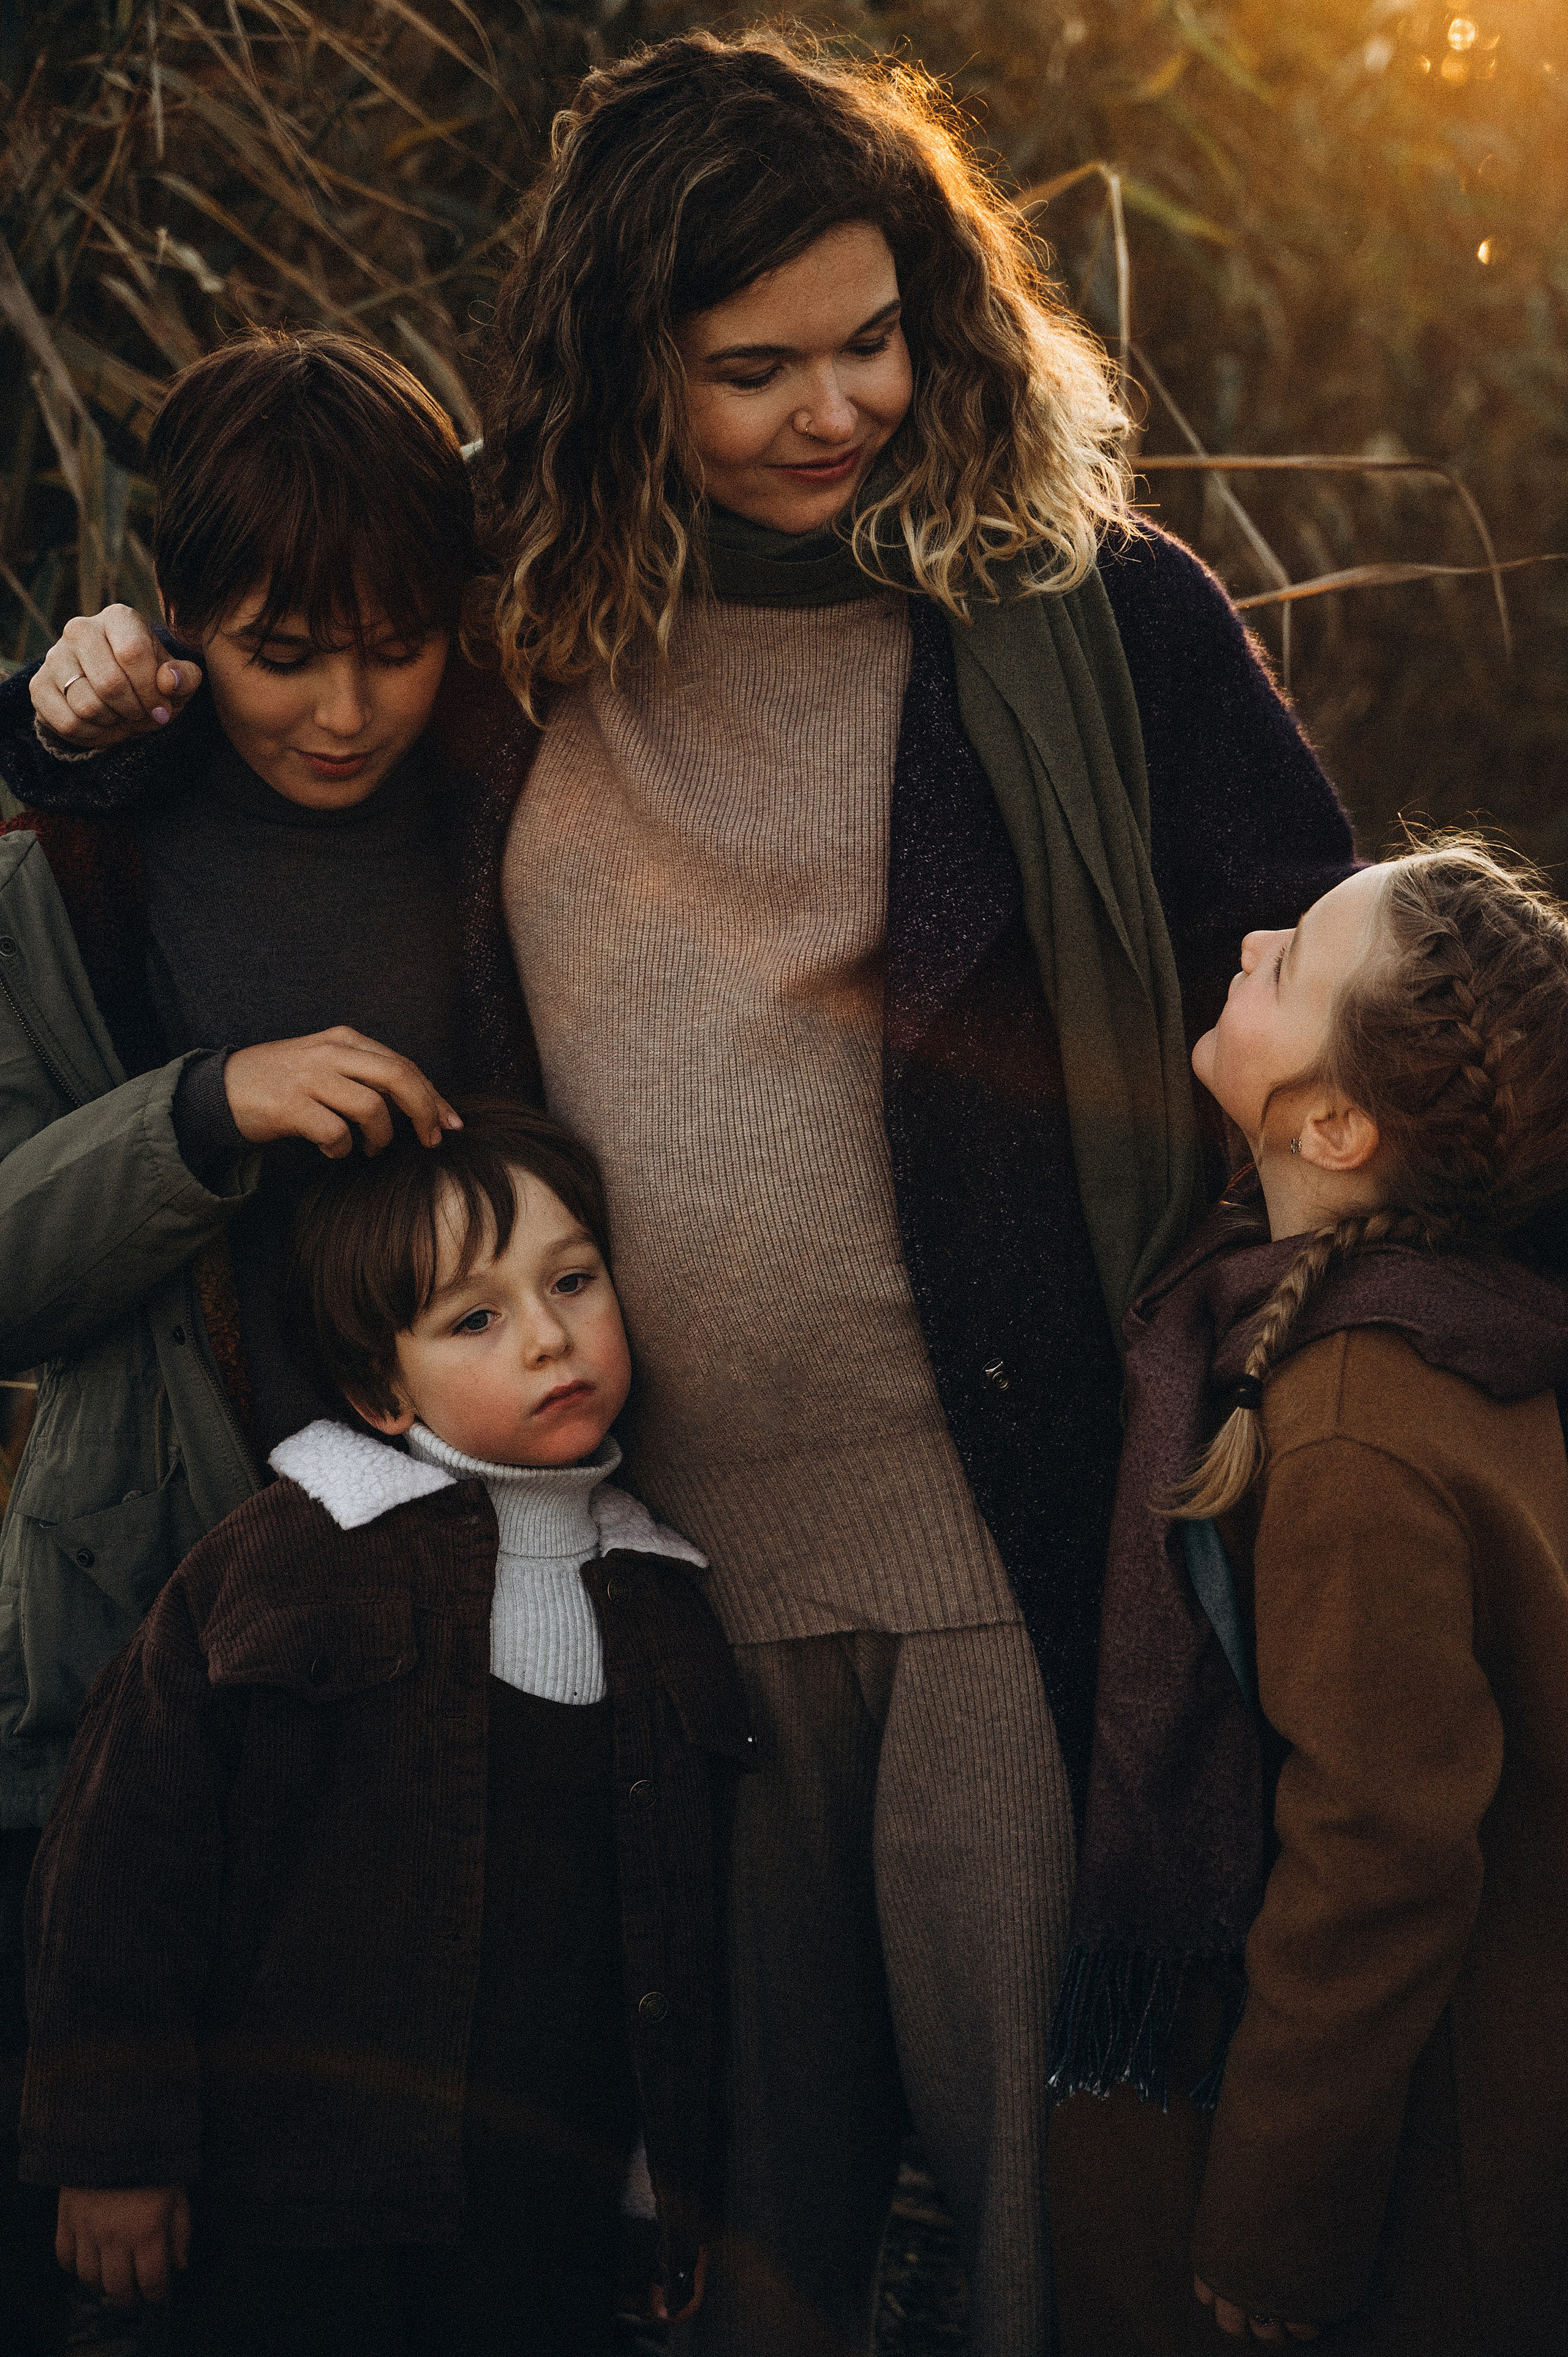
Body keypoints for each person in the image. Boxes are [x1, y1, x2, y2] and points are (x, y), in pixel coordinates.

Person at [472, 31, 1357, 2355]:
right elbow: (255, 718)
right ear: (616, 367)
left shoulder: (1091, 609)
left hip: (1013, 1537)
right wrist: (73, 704)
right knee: (733, 2242)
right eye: (750, 366)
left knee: (1047, 2232)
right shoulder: (513, 623)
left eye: (874, 335)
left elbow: (1334, 987)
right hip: (652, 1565)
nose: (832, 405)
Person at [0, 327, 526, 2344]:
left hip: (464, 1636)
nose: (341, 705)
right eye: (283, 648)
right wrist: (202, 1109)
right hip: (143, 1639)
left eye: (394, 645)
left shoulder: (510, 804)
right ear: (177, 623)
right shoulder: (73, 873)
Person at [19, 1097, 747, 2355]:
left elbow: (670, 1940)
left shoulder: (664, 1592)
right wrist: (113, 2149)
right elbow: (123, 1864)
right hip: (295, 2215)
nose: (547, 1337)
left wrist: (656, 2196)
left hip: (546, 2213)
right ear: (376, 1385)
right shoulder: (290, 1557)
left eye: (572, 1280)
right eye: (474, 1317)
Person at [1047, 840, 1568, 2355]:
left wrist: (1275, 2223)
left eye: (1288, 961)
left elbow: (1380, 1853)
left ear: (1332, 1124)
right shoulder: (1419, 1334)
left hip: (1403, 2187)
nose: (1253, 928)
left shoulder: (1352, 1423)